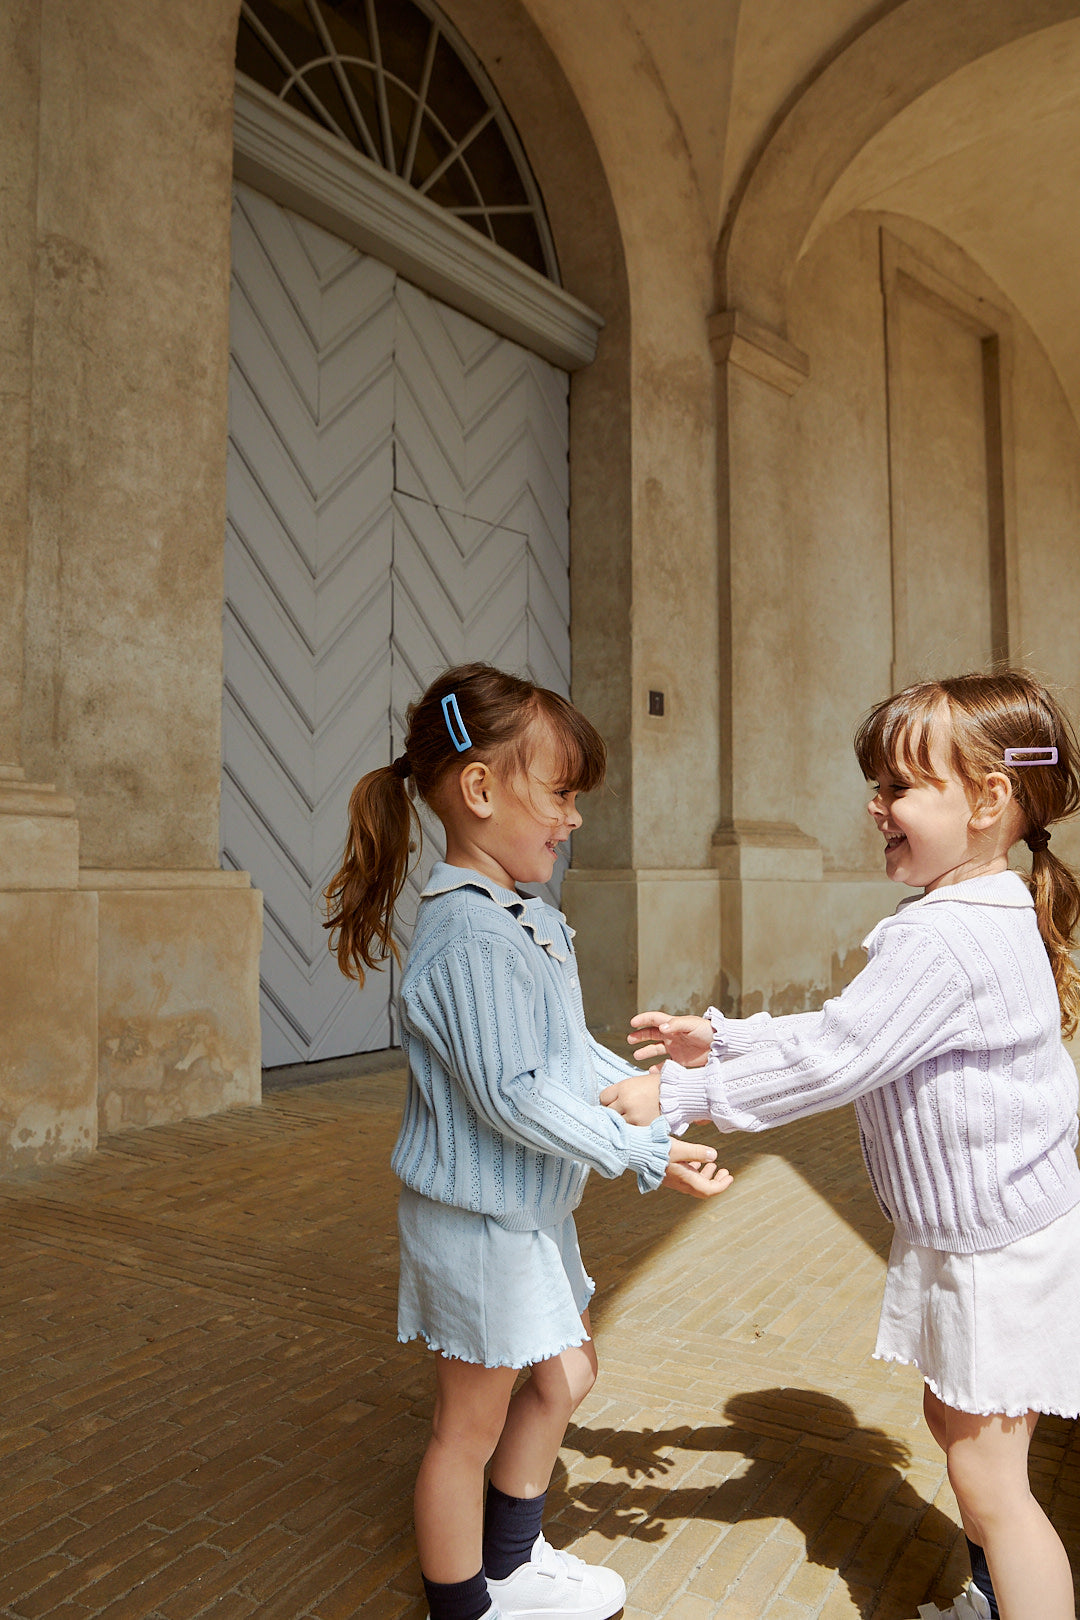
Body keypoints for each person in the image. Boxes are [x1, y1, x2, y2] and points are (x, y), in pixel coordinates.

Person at [601, 670, 1080, 1620]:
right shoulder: (983, 909)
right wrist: (728, 1036)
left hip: (995, 1249)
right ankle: (990, 1600)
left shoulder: (943, 938)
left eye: (901, 788)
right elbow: (858, 1033)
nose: (877, 807)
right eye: (878, 785)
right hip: (982, 1231)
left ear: (989, 801)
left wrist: (682, 1092)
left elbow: (838, 1057)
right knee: (958, 1425)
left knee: (996, 1487)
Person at [325, 662, 731, 1620]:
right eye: (560, 793)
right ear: (479, 789)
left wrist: (649, 1098)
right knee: (465, 1428)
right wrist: (634, 1152)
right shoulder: (467, 936)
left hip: (527, 1212)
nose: (573, 817)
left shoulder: (529, 920)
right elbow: (510, 1095)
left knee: (568, 1374)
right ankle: (465, 1601)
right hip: (477, 1223)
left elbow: (558, 1053)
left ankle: (512, 1562)